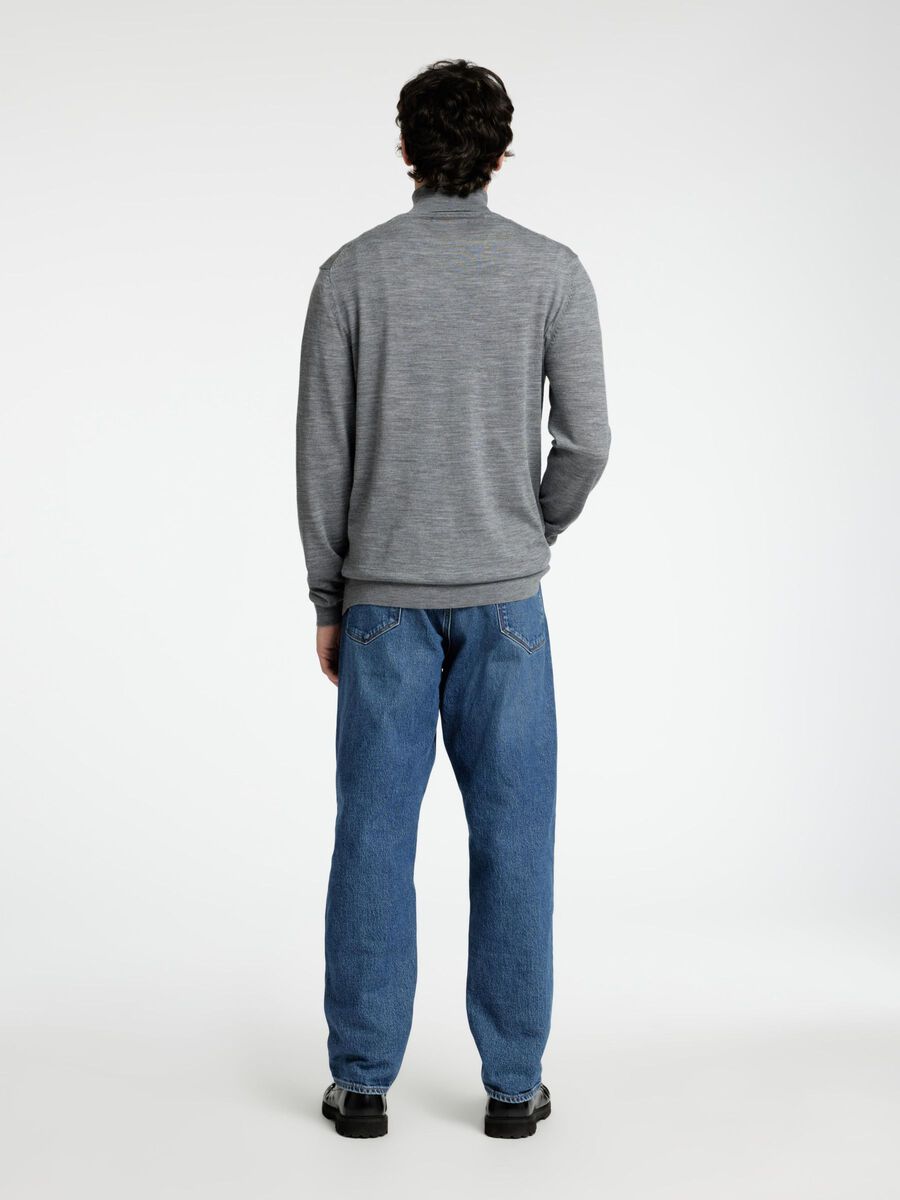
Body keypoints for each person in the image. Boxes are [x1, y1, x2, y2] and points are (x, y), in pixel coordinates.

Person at [296, 58, 611, 1139]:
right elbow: (588, 441)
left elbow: (323, 456)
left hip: (381, 604)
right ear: (501, 153)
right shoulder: (552, 272)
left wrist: (328, 596)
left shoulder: (350, 274)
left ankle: (363, 1086)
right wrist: (533, 530)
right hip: (507, 607)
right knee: (515, 839)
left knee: (373, 838)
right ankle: (514, 1090)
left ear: (406, 150)